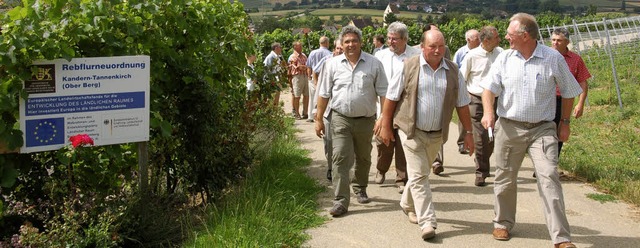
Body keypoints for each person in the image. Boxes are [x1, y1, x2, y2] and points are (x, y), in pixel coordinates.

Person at [479, 13, 582, 248]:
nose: (505, 37)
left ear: (525, 36)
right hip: (509, 127)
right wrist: (488, 112)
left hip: (542, 130)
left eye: (509, 33)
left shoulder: (552, 58)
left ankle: (561, 237)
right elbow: (488, 89)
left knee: (549, 178)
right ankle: (502, 223)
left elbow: (568, 90)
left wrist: (564, 122)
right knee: (505, 178)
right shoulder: (505, 58)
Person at [377, 29, 474, 240]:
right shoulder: (409, 66)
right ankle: (428, 221)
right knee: (420, 176)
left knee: (421, 172)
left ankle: (406, 203)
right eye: (432, 46)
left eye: (441, 46)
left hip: (437, 134)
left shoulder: (453, 70)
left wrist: (468, 132)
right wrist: (385, 125)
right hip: (410, 131)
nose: (438, 51)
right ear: (422, 47)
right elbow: (391, 98)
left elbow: (463, 103)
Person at [315, 26, 388, 217]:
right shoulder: (332, 64)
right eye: (346, 41)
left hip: (366, 120)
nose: (350, 45)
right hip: (340, 117)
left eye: (354, 41)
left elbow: (383, 93)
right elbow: (323, 93)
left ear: (360, 43)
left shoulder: (374, 63)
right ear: (341, 44)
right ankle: (341, 200)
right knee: (339, 156)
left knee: (363, 157)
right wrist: (318, 119)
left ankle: (360, 187)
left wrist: (383, 118)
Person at [373, 21, 421, 194]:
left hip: (405, 106)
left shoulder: (416, 55)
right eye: (389, 38)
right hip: (384, 104)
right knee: (383, 142)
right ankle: (381, 169)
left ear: (405, 39)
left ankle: (402, 178)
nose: (391, 42)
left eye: (395, 39)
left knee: (403, 142)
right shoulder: (381, 56)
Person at [459, 26, 503, 186]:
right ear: (486, 41)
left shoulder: (501, 53)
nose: (499, 40)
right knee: (480, 137)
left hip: (496, 100)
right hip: (476, 100)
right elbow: (462, 78)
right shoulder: (472, 56)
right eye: (496, 38)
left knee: (493, 137)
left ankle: (485, 163)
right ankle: (481, 172)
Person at [550, 27, 591, 156]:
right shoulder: (545, 56)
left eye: (559, 40)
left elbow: (583, 82)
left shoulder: (575, 59)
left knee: (560, 131)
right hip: (546, 99)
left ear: (567, 42)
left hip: (564, 101)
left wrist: (580, 104)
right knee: (543, 132)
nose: (555, 43)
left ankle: (551, 164)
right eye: (553, 40)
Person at [313, 38, 344, 181]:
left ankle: (340, 170)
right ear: (334, 49)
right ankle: (331, 167)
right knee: (329, 142)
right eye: (337, 48)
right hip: (328, 109)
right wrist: (316, 111)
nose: (339, 51)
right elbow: (320, 88)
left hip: (344, 111)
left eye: (341, 49)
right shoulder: (327, 63)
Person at [453, 29, 480, 155]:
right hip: (466, 90)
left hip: (479, 90)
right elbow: (455, 70)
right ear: (469, 40)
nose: (479, 40)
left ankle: (477, 143)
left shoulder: (482, 51)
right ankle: (462, 143)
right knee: (464, 116)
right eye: (477, 38)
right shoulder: (461, 53)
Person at [305, 36, 332, 123]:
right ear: (327, 43)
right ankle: (322, 115)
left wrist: (309, 77)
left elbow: (308, 66)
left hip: (313, 77)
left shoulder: (313, 53)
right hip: (324, 78)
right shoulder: (329, 54)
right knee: (323, 97)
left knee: (312, 97)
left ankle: (310, 116)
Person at [288, 41, 310, 120]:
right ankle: (296, 113)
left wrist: (303, 67)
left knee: (306, 95)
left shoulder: (304, 55)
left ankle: (305, 112)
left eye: (301, 46)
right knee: (297, 95)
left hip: (305, 76)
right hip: (297, 77)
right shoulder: (292, 56)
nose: (301, 47)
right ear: (295, 47)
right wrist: (302, 67)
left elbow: (307, 65)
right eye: (299, 46)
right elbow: (297, 67)